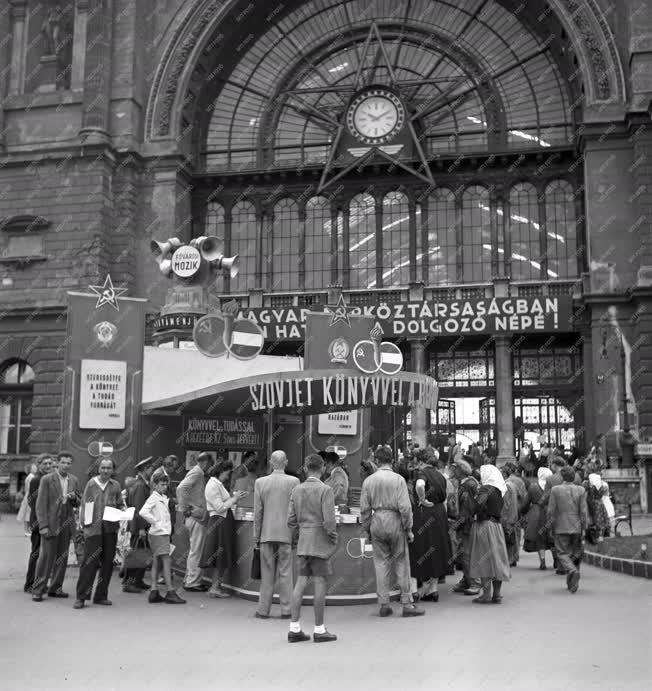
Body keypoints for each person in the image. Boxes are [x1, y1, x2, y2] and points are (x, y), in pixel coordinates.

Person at [360, 446, 424, 619]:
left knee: (380, 564)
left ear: (378, 461)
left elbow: (364, 509)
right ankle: (406, 603)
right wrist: (408, 528)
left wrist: (367, 529)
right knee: (402, 563)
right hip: (395, 520)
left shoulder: (369, 481)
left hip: (377, 520)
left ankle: (384, 604)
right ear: (391, 461)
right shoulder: (399, 480)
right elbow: (405, 507)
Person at [287, 454, 338, 643]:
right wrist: (333, 539)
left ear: (306, 469)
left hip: (303, 542)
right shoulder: (326, 490)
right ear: (323, 468)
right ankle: (319, 629)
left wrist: (300, 534)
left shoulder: (297, 490)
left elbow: (290, 520)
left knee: (300, 582)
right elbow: (330, 522)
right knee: (320, 583)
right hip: (320, 542)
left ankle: (294, 628)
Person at [253, 450, 300, 619]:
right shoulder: (294, 482)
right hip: (286, 535)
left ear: (271, 463)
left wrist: (256, 537)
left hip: (266, 534)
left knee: (267, 574)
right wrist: (295, 534)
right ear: (286, 462)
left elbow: (258, 513)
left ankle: (263, 610)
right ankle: (287, 610)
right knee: (286, 574)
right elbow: (296, 511)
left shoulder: (260, 482)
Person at [73, 458, 125, 609]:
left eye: (109, 468)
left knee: (108, 564)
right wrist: (84, 527)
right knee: (89, 564)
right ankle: (81, 597)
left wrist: (123, 510)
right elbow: (84, 505)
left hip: (110, 530)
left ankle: (101, 596)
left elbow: (120, 503)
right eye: (103, 467)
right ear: (98, 469)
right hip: (93, 530)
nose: (106, 470)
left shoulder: (115, 485)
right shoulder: (91, 484)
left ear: (113, 470)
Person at [32, 452, 80, 601]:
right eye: (63, 462)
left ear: (71, 464)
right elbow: (40, 505)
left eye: (68, 463)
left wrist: (74, 498)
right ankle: (38, 590)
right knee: (46, 558)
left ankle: (55, 588)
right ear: (57, 463)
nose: (66, 465)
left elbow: (78, 502)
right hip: (51, 523)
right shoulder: (47, 479)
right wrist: (43, 526)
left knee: (62, 557)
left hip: (66, 523)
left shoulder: (74, 480)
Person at [408, 450, 451, 602]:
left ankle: (413, 591)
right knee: (436, 548)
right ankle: (433, 590)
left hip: (424, 513)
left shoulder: (421, 473)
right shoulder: (441, 475)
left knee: (417, 549)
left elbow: (420, 485)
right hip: (439, 513)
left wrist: (422, 499)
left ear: (421, 461)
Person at [139, 469, 186, 604]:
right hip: (160, 533)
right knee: (166, 561)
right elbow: (143, 512)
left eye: (166, 485)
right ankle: (170, 592)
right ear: (155, 485)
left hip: (158, 533)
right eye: (161, 484)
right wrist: (156, 523)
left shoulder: (161, 497)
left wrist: (157, 524)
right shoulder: (154, 497)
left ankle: (154, 591)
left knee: (157, 561)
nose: (164, 487)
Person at [201, 460, 246, 598]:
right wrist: (234, 498)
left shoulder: (216, 484)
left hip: (221, 522)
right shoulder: (213, 485)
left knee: (220, 555)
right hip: (220, 522)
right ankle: (215, 587)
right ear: (221, 471)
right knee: (220, 555)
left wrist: (235, 498)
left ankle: (216, 586)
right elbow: (220, 507)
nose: (227, 477)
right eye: (227, 474)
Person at [468, 465, 511, 604]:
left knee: (484, 560)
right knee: (497, 560)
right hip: (496, 527)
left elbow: (478, 506)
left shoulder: (485, 489)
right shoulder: (499, 490)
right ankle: (497, 594)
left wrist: (477, 513)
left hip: (484, 526)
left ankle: (486, 595)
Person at [547, 465, 589, 593]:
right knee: (575, 553)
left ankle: (572, 571)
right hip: (576, 526)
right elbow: (583, 511)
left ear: (562, 477)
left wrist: (549, 526)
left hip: (560, 526)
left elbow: (550, 511)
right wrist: (584, 527)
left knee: (562, 553)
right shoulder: (581, 490)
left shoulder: (555, 490)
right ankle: (571, 583)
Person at [177, 451, 213, 592]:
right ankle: (193, 582)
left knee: (194, 550)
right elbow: (181, 488)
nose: (211, 467)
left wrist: (186, 508)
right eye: (210, 464)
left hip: (193, 516)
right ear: (205, 462)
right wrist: (185, 508)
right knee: (197, 550)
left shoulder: (196, 472)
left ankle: (189, 579)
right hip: (196, 517)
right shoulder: (198, 473)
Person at [123, 456, 156, 593]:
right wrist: (142, 528)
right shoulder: (140, 486)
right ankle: (130, 583)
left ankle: (137, 580)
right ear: (145, 469)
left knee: (142, 553)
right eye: (150, 468)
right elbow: (139, 508)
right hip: (139, 527)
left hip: (138, 525)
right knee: (137, 554)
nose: (152, 470)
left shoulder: (140, 484)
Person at [23, 454, 54, 593]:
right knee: (36, 553)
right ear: (39, 465)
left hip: (49, 521)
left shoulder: (51, 478)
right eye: (45, 464)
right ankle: (30, 584)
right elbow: (32, 501)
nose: (48, 466)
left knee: (45, 555)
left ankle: (40, 582)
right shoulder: (36, 480)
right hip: (38, 521)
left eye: (50, 463)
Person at [450, 459, 481, 595]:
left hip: (467, 525)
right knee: (464, 554)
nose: (452, 471)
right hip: (467, 524)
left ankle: (474, 582)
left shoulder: (468, 485)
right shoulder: (466, 483)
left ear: (460, 470)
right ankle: (467, 579)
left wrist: (456, 525)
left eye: (454, 468)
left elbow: (467, 509)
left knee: (467, 554)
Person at [523, 467, 554, 569]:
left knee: (540, 538)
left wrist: (522, 512)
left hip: (537, 513)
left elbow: (526, 502)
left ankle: (543, 561)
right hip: (550, 511)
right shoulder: (552, 487)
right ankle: (556, 561)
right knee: (552, 537)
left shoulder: (533, 487)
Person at [501, 464, 522, 568]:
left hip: (508, 517)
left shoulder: (506, 485)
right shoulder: (513, 484)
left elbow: (506, 504)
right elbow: (521, 497)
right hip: (514, 515)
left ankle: (510, 560)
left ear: (504, 473)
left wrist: (503, 518)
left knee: (508, 540)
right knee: (512, 539)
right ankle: (513, 558)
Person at [584, 473, 610, 545]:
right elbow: (606, 494)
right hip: (600, 504)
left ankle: (597, 539)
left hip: (593, 504)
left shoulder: (591, 487)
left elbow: (587, 496)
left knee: (596, 521)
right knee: (601, 521)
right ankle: (601, 538)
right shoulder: (602, 485)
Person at [17, 463, 38, 535]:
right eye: (34, 467)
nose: (35, 468)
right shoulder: (31, 477)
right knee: (28, 514)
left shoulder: (29, 477)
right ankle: (27, 531)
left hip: (28, 495)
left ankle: (27, 531)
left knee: (27, 514)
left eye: (35, 467)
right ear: (30, 469)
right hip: (30, 496)